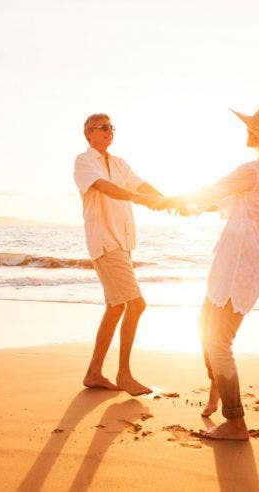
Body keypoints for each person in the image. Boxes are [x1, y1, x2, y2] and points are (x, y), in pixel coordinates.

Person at [160, 104, 259, 439]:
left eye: (251, 126)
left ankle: (236, 422)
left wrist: (172, 201)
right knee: (204, 326)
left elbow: (214, 190)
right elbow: (225, 202)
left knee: (219, 343)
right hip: (237, 259)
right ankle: (217, 388)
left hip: (240, 263)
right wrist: (192, 208)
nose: (246, 130)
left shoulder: (254, 171)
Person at [73, 113, 164, 396]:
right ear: (88, 132)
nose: (109, 131)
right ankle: (124, 374)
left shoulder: (120, 163)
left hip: (122, 245)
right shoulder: (84, 161)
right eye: (102, 127)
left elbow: (140, 184)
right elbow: (105, 188)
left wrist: (163, 198)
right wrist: (139, 198)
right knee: (136, 305)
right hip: (105, 243)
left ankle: (93, 373)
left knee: (115, 308)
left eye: (111, 127)